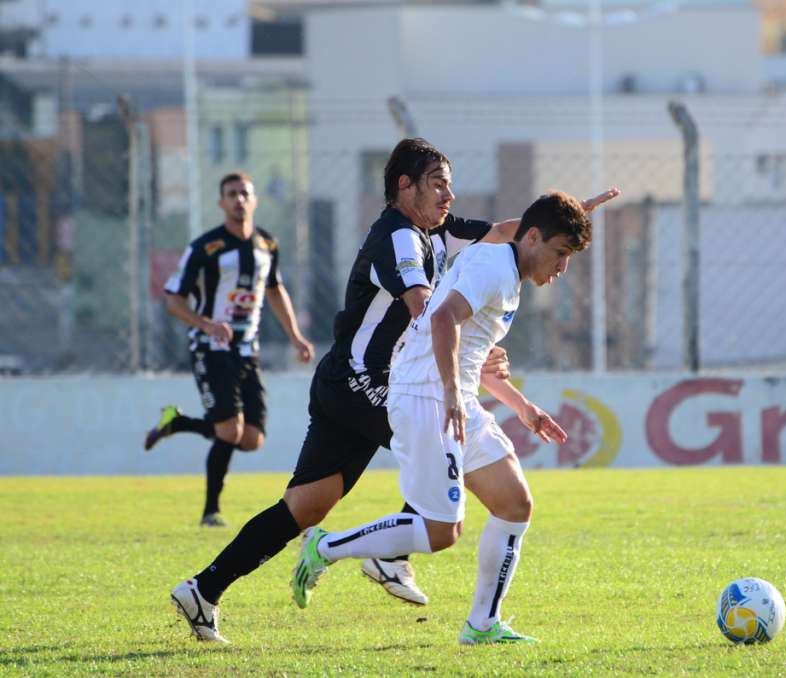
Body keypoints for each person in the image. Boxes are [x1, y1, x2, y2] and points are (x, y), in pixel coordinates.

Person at [168, 138, 618, 644]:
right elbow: (429, 310)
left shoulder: (437, 231)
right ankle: (389, 554)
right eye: (437, 184)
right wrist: (468, 355)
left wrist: (570, 215)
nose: (449, 195)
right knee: (440, 486)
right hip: (369, 380)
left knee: (306, 506)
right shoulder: (399, 237)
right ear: (404, 187)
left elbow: (506, 233)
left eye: (450, 184)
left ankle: (204, 589)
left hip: (364, 381)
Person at [291, 190, 594, 645]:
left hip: (452, 397)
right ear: (532, 237)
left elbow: (468, 352)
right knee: (440, 532)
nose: (562, 267)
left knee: (514, 504)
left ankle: (483, 625)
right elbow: (443, 321)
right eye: (560, 253)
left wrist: (522, 408)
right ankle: (325, 547)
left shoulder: (506, 271)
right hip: (425, 397)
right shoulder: (493, 268)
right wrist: (452, 392)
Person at [145, 172, 314, 527]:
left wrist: (296, 336)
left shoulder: (267, 245)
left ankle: (177, 422)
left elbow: (274, 291)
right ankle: (210, 512)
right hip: (210, 348)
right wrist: (206, 324)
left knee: (252, 439)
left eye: (244, 193)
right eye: (231, 194)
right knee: (229, 431)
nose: (239, 199)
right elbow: (173, 299)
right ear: (221, 203)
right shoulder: (206, 248)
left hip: (246, 350)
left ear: (254, 201)